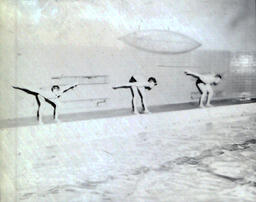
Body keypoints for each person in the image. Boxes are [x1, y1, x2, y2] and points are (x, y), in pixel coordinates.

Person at [12, 83, 78, 123]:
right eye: (55, 92)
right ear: (52, 91)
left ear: (59, 90)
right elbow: (30, 88)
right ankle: (40, 120)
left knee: (58, 105)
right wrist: (18, 86)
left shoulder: (61, 90)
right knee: (42, 106)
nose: (57, 93)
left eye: (57, 92)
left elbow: (69, 85)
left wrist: (75, 83)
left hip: (53, 98)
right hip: (42, 96)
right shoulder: (45, 93)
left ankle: (56, 118)